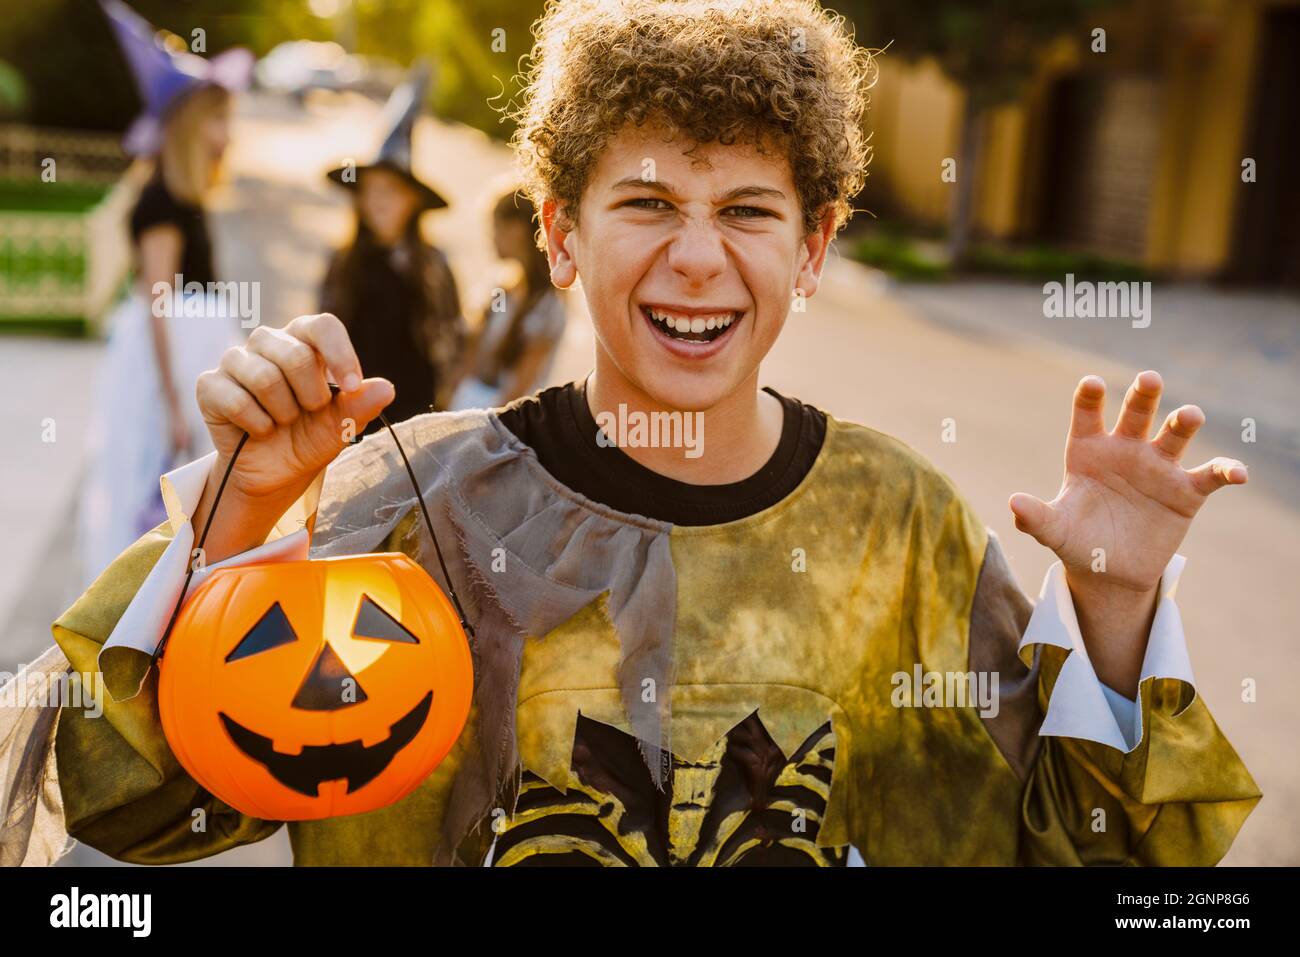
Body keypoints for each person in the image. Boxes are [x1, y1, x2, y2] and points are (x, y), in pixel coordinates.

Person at [19, 0, 1259, 866]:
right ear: (560, 233)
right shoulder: (398, 503)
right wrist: (241, 527)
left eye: (749, 209)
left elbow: (1085, 864)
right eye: (648, 201)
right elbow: (128, 808)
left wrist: (1108, 616)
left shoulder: (899, 526)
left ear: (814, 246)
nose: (698, 256)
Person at [76, 0, 253, 588]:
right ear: (186, 124)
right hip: (169, 363)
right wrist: (177, 406)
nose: (225, 133)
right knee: (156, 475)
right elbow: (158, 301)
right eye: (216, 119)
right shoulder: (161, 202)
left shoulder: (187, 197)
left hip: (188, 352)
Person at [320, 63, 464, 431]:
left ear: (413, 200)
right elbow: (327, 330)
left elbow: (449, 336)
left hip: (414, 411)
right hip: (355, 409)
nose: (378, 201)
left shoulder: (432, 265)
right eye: (371, 190)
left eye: (391, 190)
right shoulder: (344, 261)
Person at [446, 189, 567, 410]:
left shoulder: (548, 306)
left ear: (519, 230)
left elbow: (522, 383)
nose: (492, 237)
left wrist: (490, 426)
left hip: (499, 419)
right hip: (467, 403)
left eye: (497, 228)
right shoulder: (502, 288)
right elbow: (473, 357)